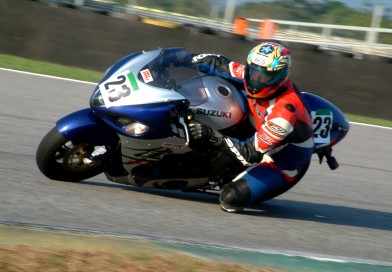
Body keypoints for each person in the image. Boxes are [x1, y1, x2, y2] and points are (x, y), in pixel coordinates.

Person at [188, 42, 314, 213]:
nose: (256, 80)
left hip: (278, 161)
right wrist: (180, 62)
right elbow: (216, 63)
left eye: (265, 77)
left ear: (281, 77)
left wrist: (211, 135)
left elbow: (250, 154)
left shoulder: (284, 114)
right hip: (258, 128)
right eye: (253, 72)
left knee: (229, 199)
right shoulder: (252, 73)